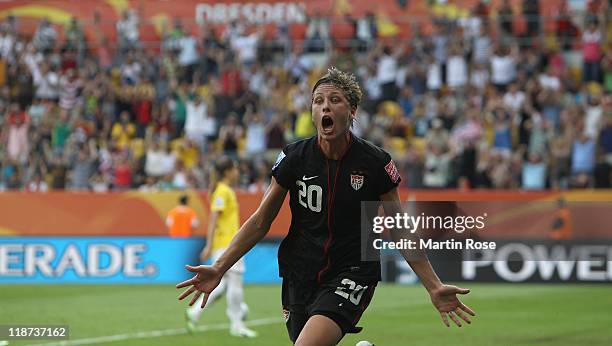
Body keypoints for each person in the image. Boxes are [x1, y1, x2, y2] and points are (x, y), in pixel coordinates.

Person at [177, 68, 475, 345]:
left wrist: (433, 285)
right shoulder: (295, 157)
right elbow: (260, 221)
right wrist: (219, 268)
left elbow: (398, 228)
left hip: (353, 269)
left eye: (335, 100)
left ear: (352, 110)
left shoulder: (374, 162)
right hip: (300, 270)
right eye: (318, 101)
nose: (325, 107)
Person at [184, 156, 257, 338]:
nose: (238, 172)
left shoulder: (223, 190)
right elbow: (214, 219)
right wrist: (209, 244)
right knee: (235, 282)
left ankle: (195, 313)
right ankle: (237, 324)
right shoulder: (223, 191)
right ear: (227, 172)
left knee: (222, 285)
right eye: (235, 168)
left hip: (225, 243)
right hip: (228, 244)